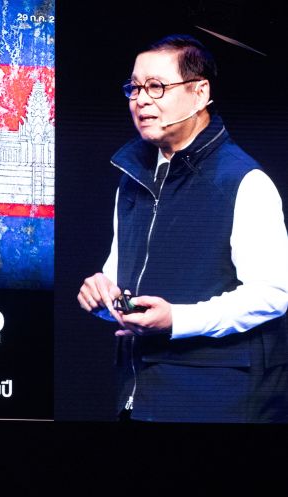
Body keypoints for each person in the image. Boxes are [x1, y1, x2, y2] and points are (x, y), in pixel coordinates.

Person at [77, 34, 288, 422]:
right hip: (138, 396)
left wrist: (177, 319)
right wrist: (104, 295)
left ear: (200, 92)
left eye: (156, 86)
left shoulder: (244, 180)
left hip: (216, 401)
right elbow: (122, 279)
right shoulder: (132, 178)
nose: (141, 99)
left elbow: (273, 294)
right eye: (134, 88)